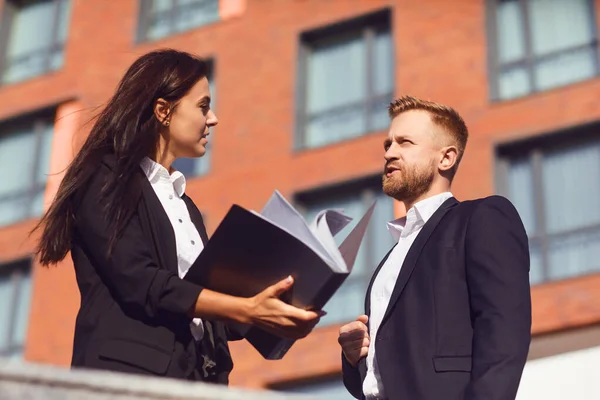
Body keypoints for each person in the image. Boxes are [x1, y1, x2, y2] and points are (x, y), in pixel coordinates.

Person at [33, 49, 321, 384]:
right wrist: (246, 308)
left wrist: (276, 309)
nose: (213, 119)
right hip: (128, 382)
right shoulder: (104, 179)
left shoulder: (186, 206)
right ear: (163, 111)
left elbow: (211, 318)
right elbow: (143, 282)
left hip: (198, 383)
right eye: (203, 106)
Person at [338, 96, 531, 400]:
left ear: (446, 158)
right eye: (388, 144)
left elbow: (504, 331)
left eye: (405, 143)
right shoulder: (388, 261)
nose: (390, 152)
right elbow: (380, 378)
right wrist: (353, 359)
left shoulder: (481, 218)